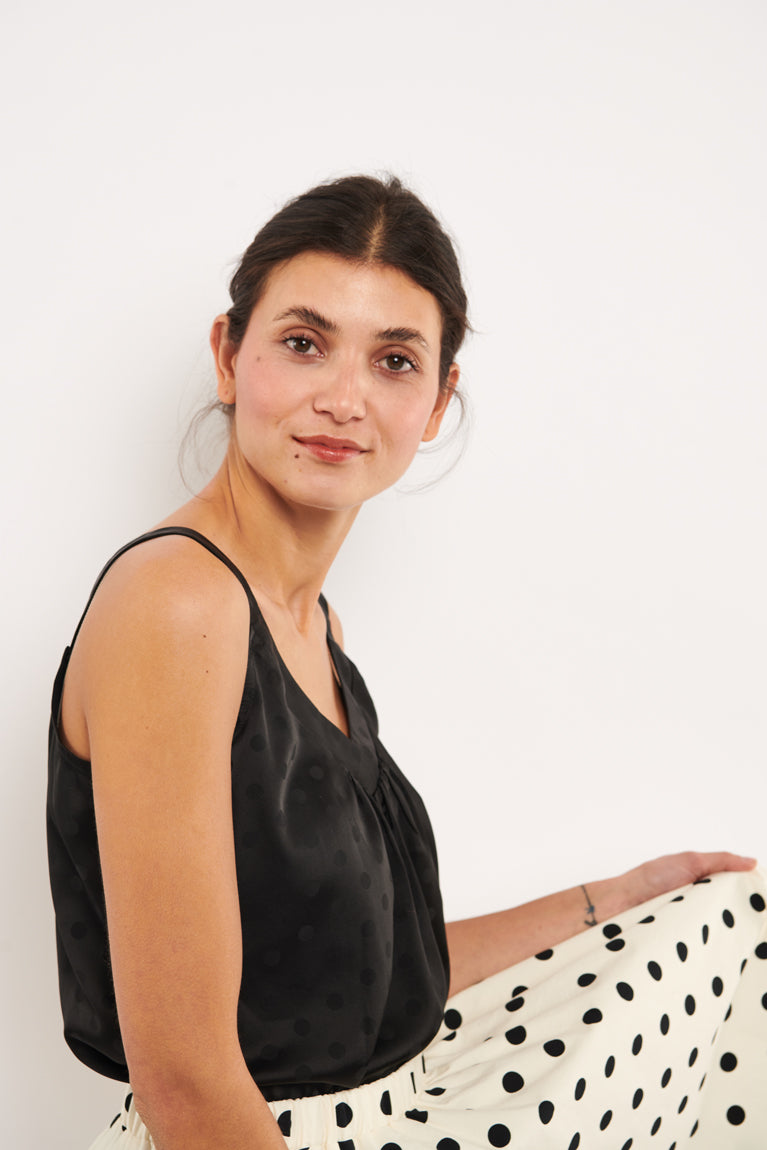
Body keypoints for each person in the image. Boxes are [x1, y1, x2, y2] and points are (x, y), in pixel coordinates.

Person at [47, 175, 767, 1150]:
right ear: (227, 356)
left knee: (730, 924)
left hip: (387, 1114)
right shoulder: (177, 606)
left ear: (434, 403)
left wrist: (618, 901)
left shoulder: (314, 629)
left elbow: (374, 989)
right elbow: (186, 1082)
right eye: (303, 343)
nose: (343, 399)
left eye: (393, 361)